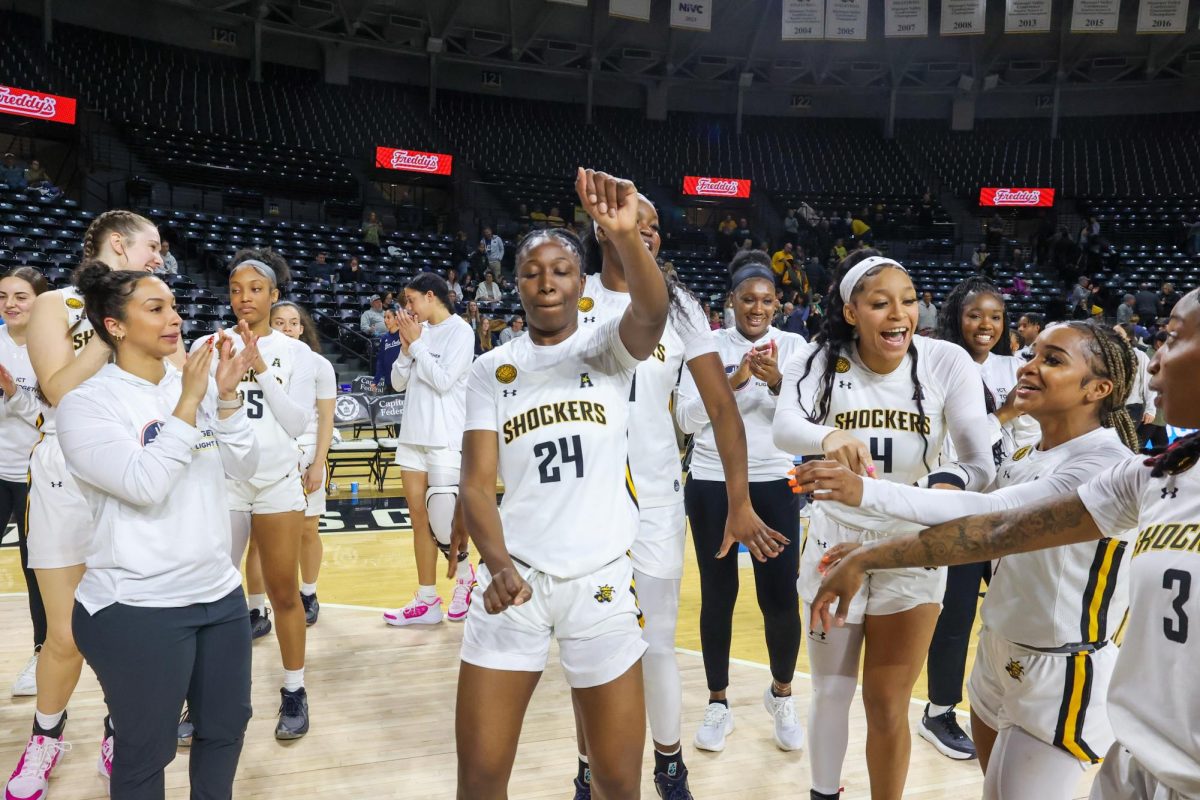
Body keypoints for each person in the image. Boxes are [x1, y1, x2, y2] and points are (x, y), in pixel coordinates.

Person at [810, 288, 1200, 800]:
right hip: (999, 649)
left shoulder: (1102, 463)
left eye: (1052, 360)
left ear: (1097, 389)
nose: (1028, 366)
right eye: (1032, 355)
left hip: (1062, 665)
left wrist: (868, 498)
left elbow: (990, 519)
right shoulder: (1046, 453)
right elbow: (969, 502)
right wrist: (875, 550)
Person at [453, 170, 669, 800]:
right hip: (512, 580)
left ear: (582, 284)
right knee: (483, 778)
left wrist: (624, 234)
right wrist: (495, 566)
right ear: (514, 284)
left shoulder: (608, 347)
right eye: (531, 272)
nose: (546, 282)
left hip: (599, 581)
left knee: (618, 781)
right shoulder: (491, 371)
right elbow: (474, 484)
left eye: (562, 271)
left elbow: (652, 308)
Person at [574, 194, 779, 799]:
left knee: (658, 641)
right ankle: (588, 767)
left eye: (656, 227)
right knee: (591, 641)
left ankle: (669, 764)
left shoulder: (681, 307)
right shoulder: (574, 294)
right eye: (638, 225)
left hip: (658, 497)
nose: (650, 236)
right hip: (585, 500)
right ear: (601, 228)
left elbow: (720, 407)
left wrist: (739, 502)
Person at [771, 250, 996, 800]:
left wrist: (940, 488)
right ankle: (824, 793)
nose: (900, 314)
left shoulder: (946, 362)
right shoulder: (819, 357)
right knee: (830, 691)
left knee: (889, 701)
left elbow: (980, 462)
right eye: (880, 303)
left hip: (913, 545)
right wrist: (826, 437)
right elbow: (783, 425)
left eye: (909, 301)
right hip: (833, 541)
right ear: (851, 311)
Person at [61, 264, 260, 799]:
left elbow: (244, 472)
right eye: (155, 309)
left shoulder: (190, 385)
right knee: (147, 752)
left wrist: (225, 400)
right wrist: (191, 403)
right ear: (115, 325)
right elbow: (143, 483)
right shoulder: (87, 405)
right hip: (136, 605)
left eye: (173, 305)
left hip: (218, 595)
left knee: (223, 732)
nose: (174, 319)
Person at [7, 210, 167, 799]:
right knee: (65, 634)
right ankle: (45, 739)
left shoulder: (150, 307)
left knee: (124, 627)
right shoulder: (58, 304)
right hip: (61, 478)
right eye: (152, 246)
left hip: (127, 472)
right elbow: (56, 388)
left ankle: (116, 730)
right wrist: (112, 327)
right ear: (118, 244)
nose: (159, 256)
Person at [675, 252, 805, 754]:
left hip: (774, 481)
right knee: (719, 594)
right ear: (730, 301)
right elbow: (686, 419)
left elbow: (809, 415)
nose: (757, 308)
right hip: (709, 481)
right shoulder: (705, 347)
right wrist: (731, 383)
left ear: (778, 304)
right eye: (747, 299)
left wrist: (775, 382)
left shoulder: (795, 347)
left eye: (766, 300)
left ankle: (782, 694)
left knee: (778, 596)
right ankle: (718, 702)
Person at [188, 248, 316, 741]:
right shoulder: (208, 343)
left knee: (283, 593)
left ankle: (294, 689)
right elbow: (194, 413)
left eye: (256, 289)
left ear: (274, 296)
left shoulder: (297, 353)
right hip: (223, 480)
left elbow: (297, 422)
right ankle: (203, 698)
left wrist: (259, 367)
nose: (245, 298)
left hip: (276, 482)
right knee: (213, 594)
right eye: (237, 289)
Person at [383, 272, 477, 627]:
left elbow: (442, 381)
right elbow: (397, 382)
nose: (407, 308)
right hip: (412, 437)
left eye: (411, 301)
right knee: (419, 522)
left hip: (445, 437)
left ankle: (465, 577)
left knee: (445, 523)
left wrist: (416, 343)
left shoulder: (461, 331)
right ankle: (426, 600)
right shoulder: (416, 334)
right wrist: (407, 350)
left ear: (430, 296)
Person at [0, 267, 51, 698]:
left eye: (21, 296)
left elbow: (47, 412)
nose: (10, 304)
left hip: (36, 476)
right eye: (4, 296)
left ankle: (41, 656)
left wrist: (11, 391)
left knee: (35, 571)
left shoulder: (49, 347)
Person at [271, 302, 336, 625]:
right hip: (270, 453)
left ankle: (308, 592)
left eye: (293, 323)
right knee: (268, 534)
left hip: (307, 452)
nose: (287, 328)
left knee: (308, 528)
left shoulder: (319, 365)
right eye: (279, 322)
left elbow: (326, 418)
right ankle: (267, 598)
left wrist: (318, 463)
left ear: (301, 328)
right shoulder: (260, 361)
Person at [374, 308, 404, 390]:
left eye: (388, 317)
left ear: (396, 318)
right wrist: (376, 380)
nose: (385, 320)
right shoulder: (384, 338)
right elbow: (381, 360)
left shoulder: (403, 334)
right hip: (388, 381)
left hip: (403, 381)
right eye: (384, 317)